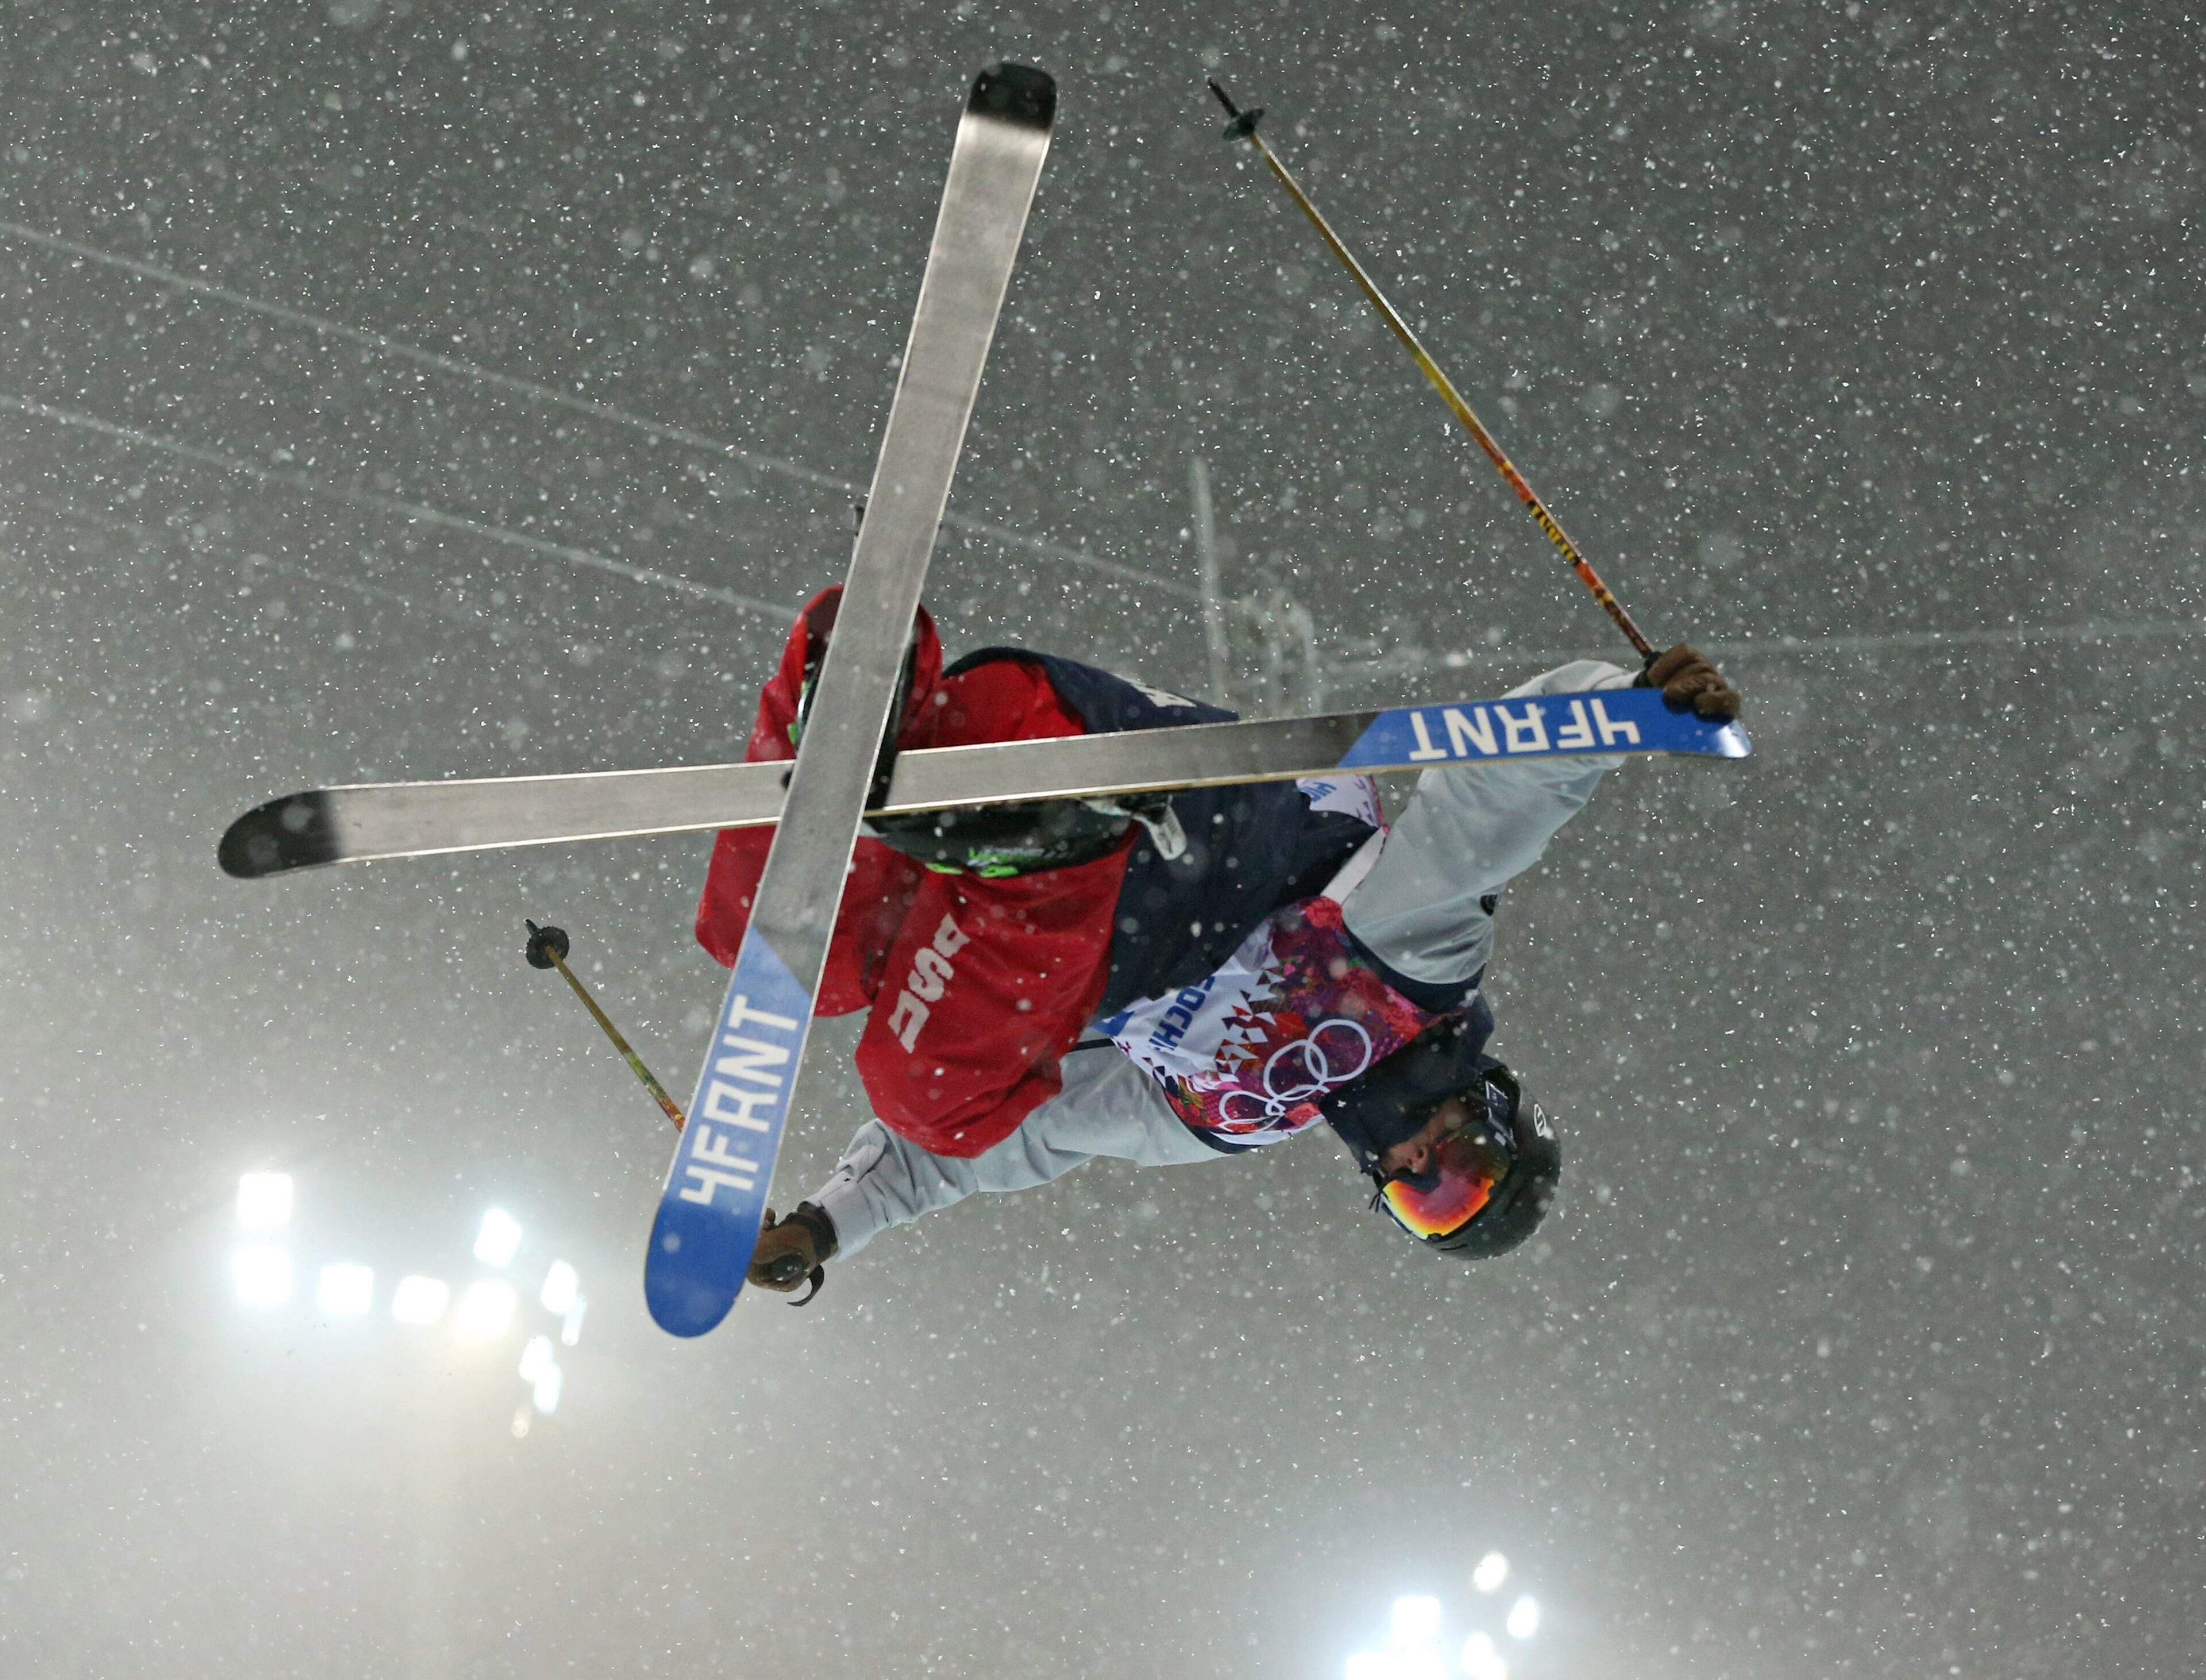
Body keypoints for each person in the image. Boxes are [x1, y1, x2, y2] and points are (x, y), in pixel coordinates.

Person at [696, 588, 1740, 1298]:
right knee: (935, 1067)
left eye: (1426, 1200)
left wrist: (830, 1226)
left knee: (795, 963)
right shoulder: (1415, 971)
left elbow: (1005, 1147)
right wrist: (1626, 711)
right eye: (1463, 1165)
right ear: (1492, 1107)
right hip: (1122, 778)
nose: (1422, 1161)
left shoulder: (1226, 1117)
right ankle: (1053, 836)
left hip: (993, 800)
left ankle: (843, 703)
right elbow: (1501, 792)